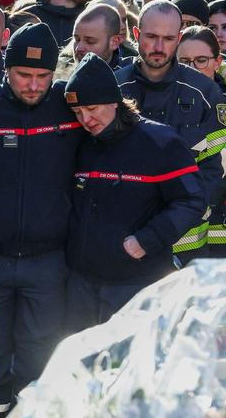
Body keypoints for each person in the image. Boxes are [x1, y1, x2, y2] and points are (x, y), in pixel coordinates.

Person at [0, 23, 82, 418]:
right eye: (23, 75)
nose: (33, 85)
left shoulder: (68, 108)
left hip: (47, 261)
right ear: (6, 69)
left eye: (42, 77)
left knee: (39, 361)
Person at [63, 54, 204, 331]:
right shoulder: (83, 144)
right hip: (82, 285)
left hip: (136, 283)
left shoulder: (159, 142)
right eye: (78, 113)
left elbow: (191, 199)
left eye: (92, 108)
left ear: (114, 101)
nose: (86, 119)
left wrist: (147, 240)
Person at [116, 0, 226, 260]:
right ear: (135, 34)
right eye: (151, 37)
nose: (158, 47)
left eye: (167, 39)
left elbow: (215, 172)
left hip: (186, 244)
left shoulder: (206, 94)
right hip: (124, 241)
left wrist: (169, 224)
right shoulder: (115, 88)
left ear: (178, 38)